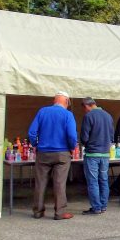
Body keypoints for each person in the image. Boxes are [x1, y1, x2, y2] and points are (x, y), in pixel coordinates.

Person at [28, 91, 77, 220]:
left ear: (54, 101)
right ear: (66, 102)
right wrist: (72, 147)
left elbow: (32, 132)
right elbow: (72, 135)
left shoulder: (42, 111)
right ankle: (59, 213)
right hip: (62, 154)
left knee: (40, 183)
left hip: (43, 153)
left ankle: (38, 211)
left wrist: (36, 144)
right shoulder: (68, 114)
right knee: (59, 184)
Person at [80, 97, 114, 215]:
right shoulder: (108, 116)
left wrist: (85, 143)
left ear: (86, 106)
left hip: (92, 154)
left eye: (84, 109)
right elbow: (112, 136)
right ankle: (103, 206)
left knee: (93, 181)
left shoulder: (88, 116)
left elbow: (84, 137)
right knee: (104, 180)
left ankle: (96, 207)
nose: (84, 111)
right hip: (105, 153)